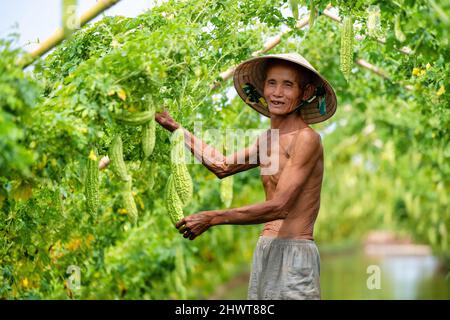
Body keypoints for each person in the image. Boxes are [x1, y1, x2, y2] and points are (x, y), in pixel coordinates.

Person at [155, 53, 337, 300]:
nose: (277, 92)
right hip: (265, 248)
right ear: (263, 88)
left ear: (305, 93)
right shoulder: (266, 140)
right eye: (272, 83)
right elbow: (221, 165)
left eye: (288, 85)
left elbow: (280, 207)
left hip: (295, 252)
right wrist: (175, 128)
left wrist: (212, 217)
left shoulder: (306, 139)